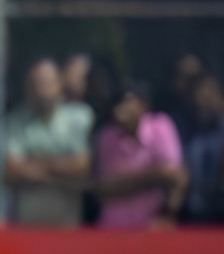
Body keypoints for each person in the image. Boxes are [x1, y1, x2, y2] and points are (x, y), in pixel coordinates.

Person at [4, 58, 95, 226]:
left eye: (48, 82)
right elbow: (13, 169)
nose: (43, 89)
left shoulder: (79, 117)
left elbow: (81, 167)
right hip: (26, 224)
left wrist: (33, 163)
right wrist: (62, 169)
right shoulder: (15, 121)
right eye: (37, 83)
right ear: (28, 87)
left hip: (67, 223)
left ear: (60, 83)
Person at [94, 81, 187, 228]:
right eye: (117, 103)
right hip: (113, 229)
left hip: (153, 229)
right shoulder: (107, 136)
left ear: (143, 104)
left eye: (127, 101)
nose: (121, 108)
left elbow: (176, 176)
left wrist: (168, 215)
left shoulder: (160, 126)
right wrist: (154, 175)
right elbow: (104, 188)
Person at [184, 75, 224, 222]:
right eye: (198, 94)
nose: (203, 99)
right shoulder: (186, 134)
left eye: (210, 94)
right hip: (194, 217)